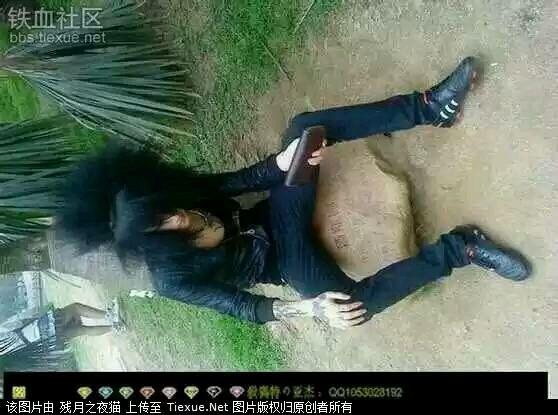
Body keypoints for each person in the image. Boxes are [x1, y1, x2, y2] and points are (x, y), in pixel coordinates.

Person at [58, 57, 530, 329]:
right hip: (285, 262)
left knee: (305, 129)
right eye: (162, 224)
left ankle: (429, 108)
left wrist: (281, 164)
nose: (176, 216)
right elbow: (245, 307)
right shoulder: (171, 279)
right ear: (151, 242)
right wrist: (309, 308)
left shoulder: (178, 195)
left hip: (278, 214)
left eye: (163, 208)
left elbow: (239, 181)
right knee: (351, 308)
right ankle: (461, 249)